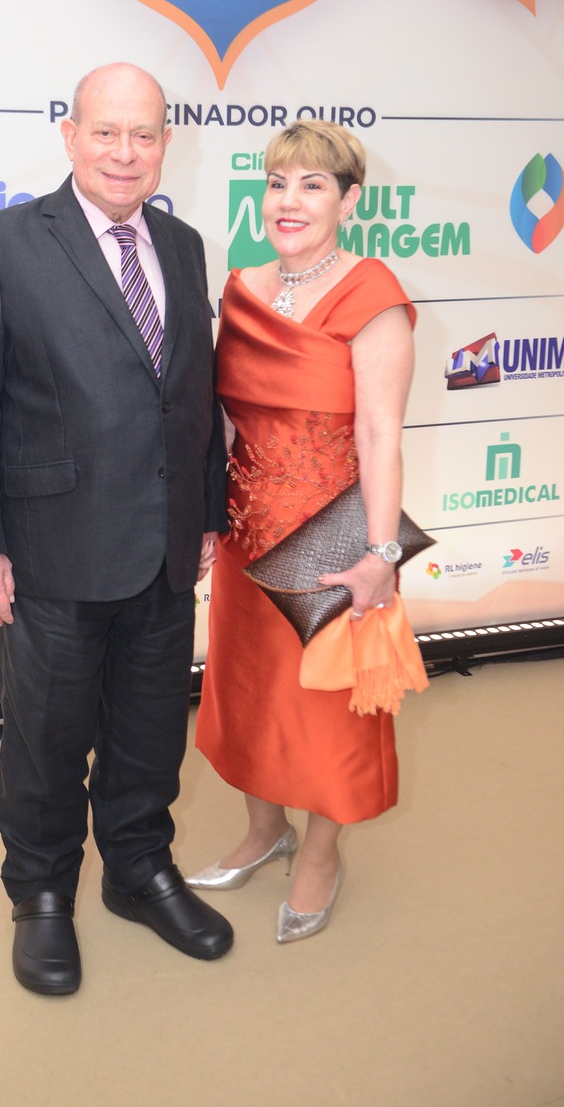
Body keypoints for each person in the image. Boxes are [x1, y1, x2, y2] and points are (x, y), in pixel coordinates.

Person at [0, 62, 233, 995]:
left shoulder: (182, 246)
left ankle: (138, 870)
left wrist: (205, 513)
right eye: (105, 132)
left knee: (149, 733)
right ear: (69, 136)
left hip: (164, 548)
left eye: (143, 134)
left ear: (164, 144)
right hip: (48, 552)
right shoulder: (3, 244)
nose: (124, 152)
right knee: (45, 739)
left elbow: (192, 394)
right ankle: (39, 893)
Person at [188, 119, 417, 943]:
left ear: (348, 201)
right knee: (248, 695)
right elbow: (221, 419)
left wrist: (380, 555)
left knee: (328, 711)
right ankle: (264, 831)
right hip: (245, 536)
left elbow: (379, 435)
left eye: (312, 185)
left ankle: (320, 851)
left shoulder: (371, 294)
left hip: (330, 544)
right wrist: (203, 519)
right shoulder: (240, 288)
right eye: (277, 182)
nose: (289, 200)